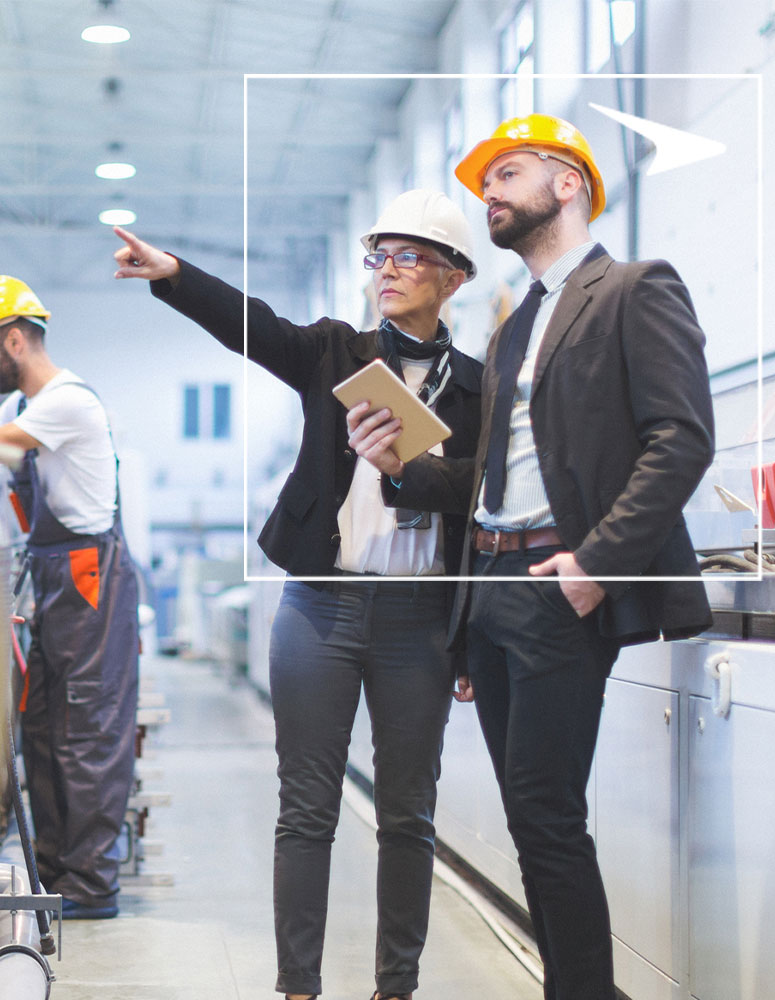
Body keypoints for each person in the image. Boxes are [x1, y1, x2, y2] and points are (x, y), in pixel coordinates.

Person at [348, 114, 715, 1000]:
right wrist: (405, 467)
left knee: (550, 820)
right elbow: (488, 476)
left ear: (568, 183)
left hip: (563, 581)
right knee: (529, 820)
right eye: (486, 182)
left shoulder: (634, 288)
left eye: (508, 173)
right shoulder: (515, 329)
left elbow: (681, 439)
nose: (491, 194)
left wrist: (597, 563)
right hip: (499, 586)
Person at [112, 188, 481, 1000]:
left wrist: (470, 637)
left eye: (408, 255)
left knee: (408, 817)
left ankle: (396, 988)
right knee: (306, 808)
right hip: (319, 607)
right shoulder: (335, 353)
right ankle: (298, 988)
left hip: (419, 620)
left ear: (454, 277)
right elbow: (257, 326)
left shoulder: (479, 391)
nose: (387, 270)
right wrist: (174, 275)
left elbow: (479, 504)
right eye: (378, 255)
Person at [0, 275, 140, 920]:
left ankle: (90, 883)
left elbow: (7, 450)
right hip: (56, 573)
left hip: (89, 577)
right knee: (45, 726)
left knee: (85, 728)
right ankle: (54, 873)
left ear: (15, 339)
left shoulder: (63, 400)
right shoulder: (24, 412)